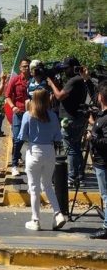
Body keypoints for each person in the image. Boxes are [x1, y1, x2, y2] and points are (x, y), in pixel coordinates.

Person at [18, 88, 67, 231]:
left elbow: (22, 136)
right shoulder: (53, 116)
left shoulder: (28, 115)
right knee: (47, 185)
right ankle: (58, 213)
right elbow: (58, 137)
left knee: (34, 188)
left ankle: (35, 220)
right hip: (49, 151)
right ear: (48, 100)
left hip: (34, 151)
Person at [47, 57, 94, 186]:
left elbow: (59, 96)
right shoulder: (82, 80)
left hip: (70, 120)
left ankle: (72, 177)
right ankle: (79, 176)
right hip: (78, 118)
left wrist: (52, 84)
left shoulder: (74, 80)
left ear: (74, 68)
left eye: (66, 68)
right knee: (76, 148)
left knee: (71, 149)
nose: (64, 70)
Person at [5, 58, 30, 176]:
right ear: (20, 68)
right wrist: (13, 106)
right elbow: (7, 96)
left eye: (28, 66)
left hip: (31, 114)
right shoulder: (15, 80)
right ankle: (14, 165)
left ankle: (28, 164)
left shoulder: (33, 80)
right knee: (17, 139)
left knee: (31, 140)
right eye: (24, 66)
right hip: (19, 114)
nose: (26, 68)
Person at [88, 80, 107, 239]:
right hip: (100, 161)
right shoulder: (101, 115)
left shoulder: (106, 117)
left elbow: (105, 141)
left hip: (103, 161)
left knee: (106, 195)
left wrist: (91, 138)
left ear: (102, 97)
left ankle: (106, 227)